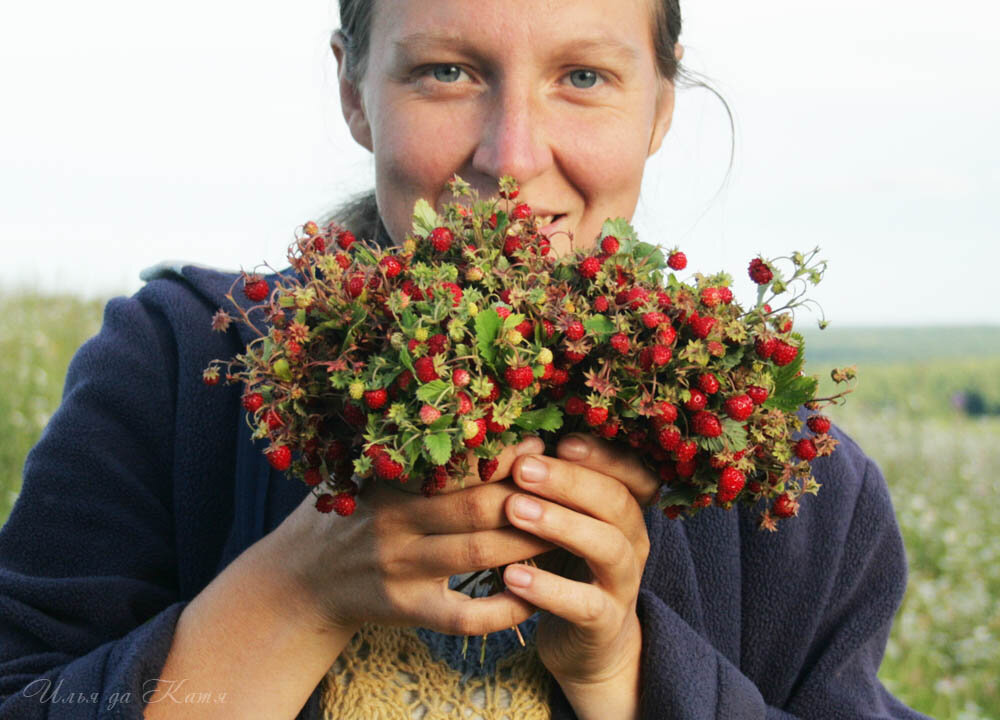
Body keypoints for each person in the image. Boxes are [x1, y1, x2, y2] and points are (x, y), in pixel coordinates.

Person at [0, 0, 931, 718]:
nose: (511, 157)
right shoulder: (179, 372)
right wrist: (297, 593)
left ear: (660, 106)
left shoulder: (796, 486)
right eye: (446, 71)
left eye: (585, 76)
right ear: (353, 90)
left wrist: (626, 674)